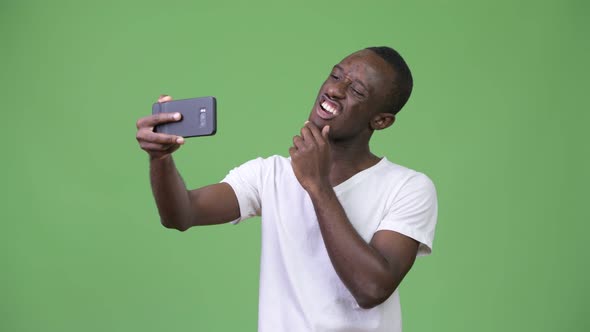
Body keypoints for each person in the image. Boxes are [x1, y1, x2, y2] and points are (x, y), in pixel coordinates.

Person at [136, 46, 438, 332]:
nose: (334, 90)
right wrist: (160, 159)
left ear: (381, 121)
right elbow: (182, 214)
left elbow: (372, 289)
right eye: (335, 75)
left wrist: (318, 186)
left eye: (356, 91)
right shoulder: (270, 174)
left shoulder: (408, 187)